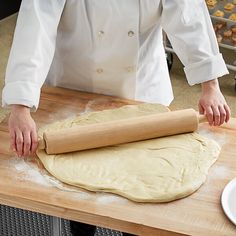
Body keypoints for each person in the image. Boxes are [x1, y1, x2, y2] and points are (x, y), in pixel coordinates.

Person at [2, 1, 231, 236]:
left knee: (144, 180)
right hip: (75, 83)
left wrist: (210, 83)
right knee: (78, 189)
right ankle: (81, 228)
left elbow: (187, 15)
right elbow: (37, 24)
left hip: (140, 90)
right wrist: (21, 105)